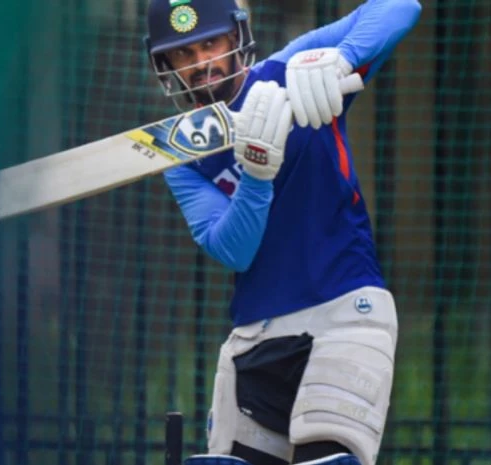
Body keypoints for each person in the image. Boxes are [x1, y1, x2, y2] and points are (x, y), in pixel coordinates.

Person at [143, 1, 422, 465]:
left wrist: (342, 58)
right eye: (183, 54)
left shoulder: (288, 70)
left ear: (235, 38)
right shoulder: (179, 154)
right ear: (166, 64)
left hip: (345, 309)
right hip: (256, 332)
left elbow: (399, 7)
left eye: (209, 43)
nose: (200, 64)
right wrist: (255, 176)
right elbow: (234, 251)